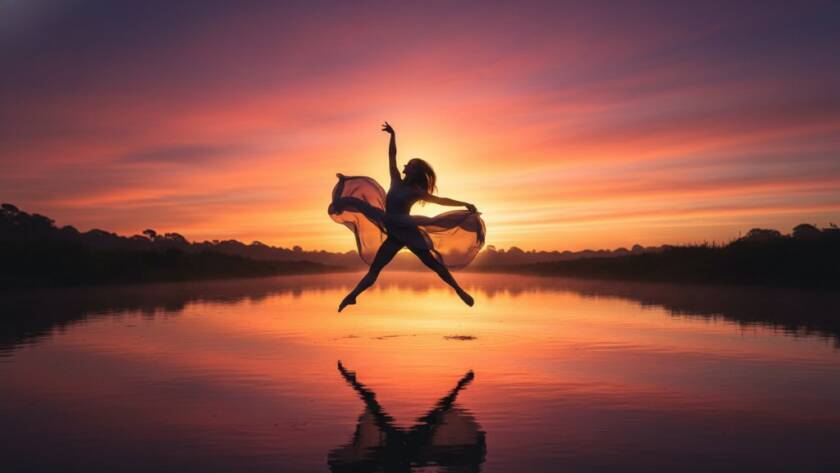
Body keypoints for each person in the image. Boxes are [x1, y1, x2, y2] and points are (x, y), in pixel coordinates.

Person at [328, 122, 485, 312]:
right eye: (407, 164)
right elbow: (392, 157)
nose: (405, 166)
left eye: (410, 165)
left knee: (432, 264)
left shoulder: (416, 191)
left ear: (415, 172)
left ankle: (459, 291)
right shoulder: (395, 179)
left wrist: (463, 204)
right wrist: (392, 136)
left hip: (407, 229)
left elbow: (440, 200)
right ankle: (352, 296)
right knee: (374, 265)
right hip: (392, 226)